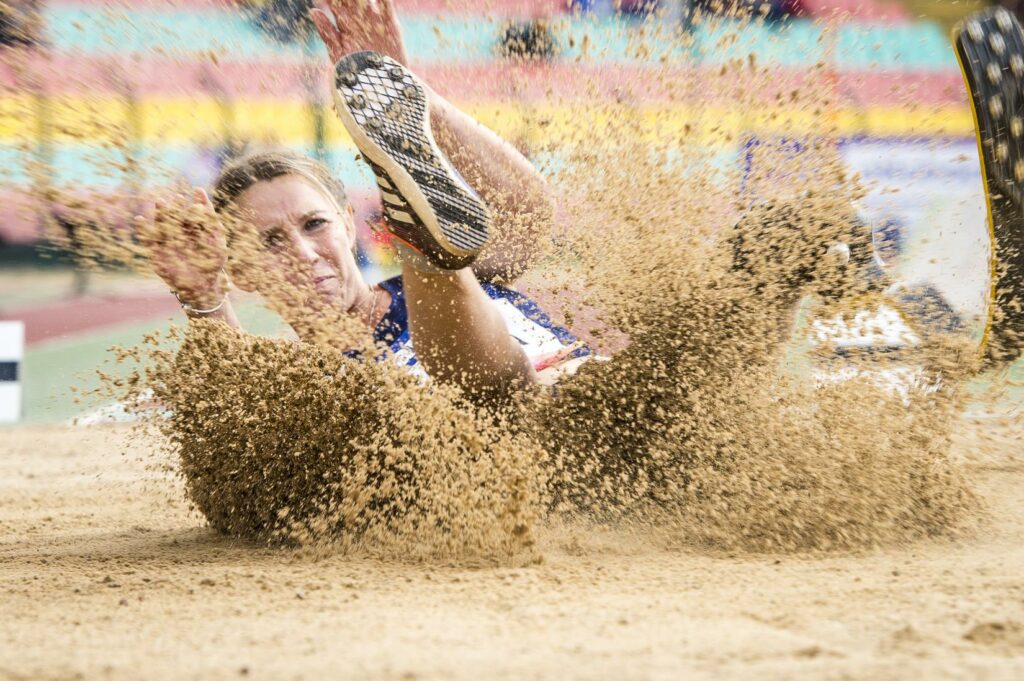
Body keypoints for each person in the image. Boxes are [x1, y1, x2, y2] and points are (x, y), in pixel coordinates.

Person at [139, 0, 1023, 406]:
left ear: (349, 223)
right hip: (536, 443)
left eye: (312, 224)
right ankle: (426, 228)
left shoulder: (422, 296)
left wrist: (418, 94)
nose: (300, 252)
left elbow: (525, 218)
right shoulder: (288, 382)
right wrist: (204, 304)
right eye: (268, 245)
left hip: (636, 399)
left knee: (796, 225)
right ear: (243, 274)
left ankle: (966, 337)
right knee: (477, 385)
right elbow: (229, 415)